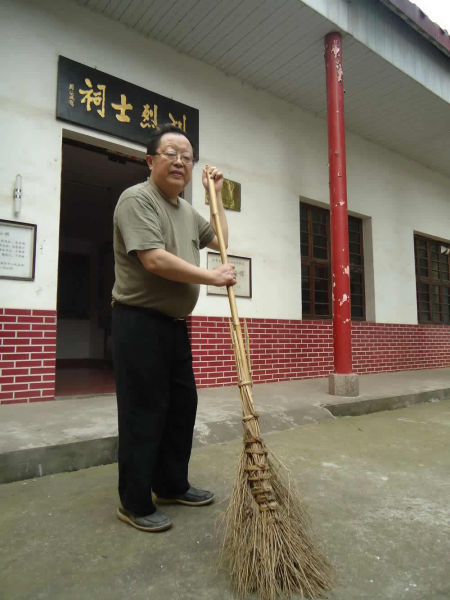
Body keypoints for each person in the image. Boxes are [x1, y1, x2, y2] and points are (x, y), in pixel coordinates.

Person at [112, 123, 236, 532]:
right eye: (171, 153)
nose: (180, 161)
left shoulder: (186, 210)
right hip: (138, 322)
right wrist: (212, 278)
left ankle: (170, 485)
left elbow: (220, 240)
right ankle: (134, 502)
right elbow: (154, 260)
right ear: (150, 161)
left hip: (174, 325)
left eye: (187, 155)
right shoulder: (137, 199)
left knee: (181, 408)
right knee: (143, 412)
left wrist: (216, 195)